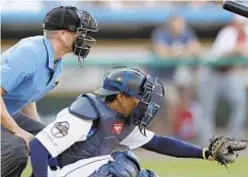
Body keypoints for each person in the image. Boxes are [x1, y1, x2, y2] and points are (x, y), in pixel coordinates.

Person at [29, 67, 246, 177]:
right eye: (139, 96)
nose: (144, 102)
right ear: (121, 96)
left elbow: (158, 143)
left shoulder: (122, 118)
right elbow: (38, 147)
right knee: (120, 166)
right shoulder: (85, 114)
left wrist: (205, 153)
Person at [1, 6, 98, 177]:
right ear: (62, 34)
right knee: (16, 150)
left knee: (55, 142)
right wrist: (18, 131)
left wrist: (40, 133)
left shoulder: (55, 58)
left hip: (7, 111)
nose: (84, 38)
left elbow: (28, 96)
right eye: (80, 32)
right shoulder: (30, 53)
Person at [198, 15, 248, 145]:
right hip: (211, 72)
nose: (242, 25)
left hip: (229, 75)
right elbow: (222, 54)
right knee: (208, 109)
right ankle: (207, 143)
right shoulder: (228, 32)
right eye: (240, 22)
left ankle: (234, 138)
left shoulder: (245, 34)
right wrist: (237, 50)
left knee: (240, 102)